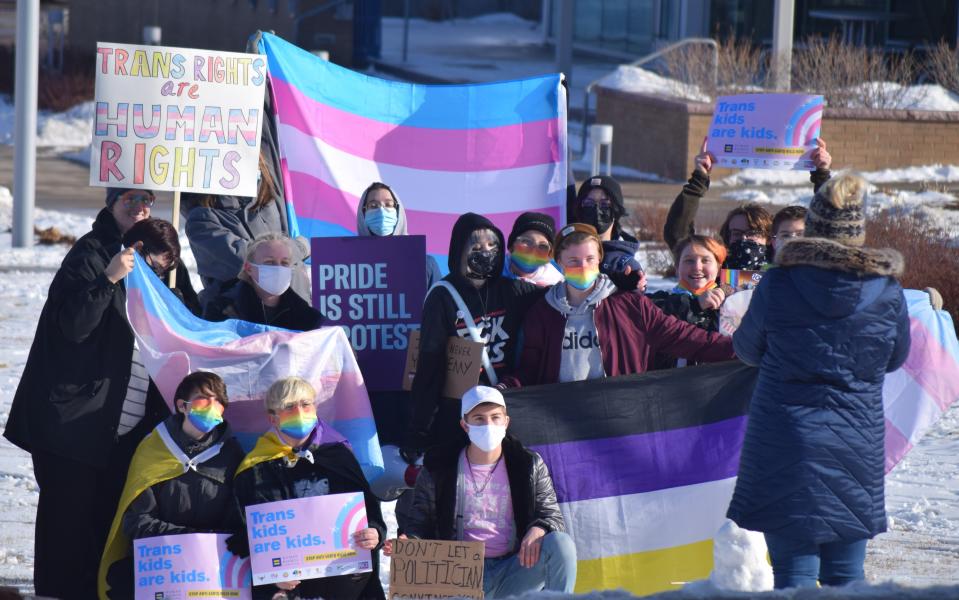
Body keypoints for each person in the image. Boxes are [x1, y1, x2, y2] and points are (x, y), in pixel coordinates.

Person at [3, 189, 197, 600]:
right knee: (66, 534)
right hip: (74, 427)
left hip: (124, 433)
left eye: (147, 198)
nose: (139, 204)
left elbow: (195, 326)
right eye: (129, 197)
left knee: (105, 531)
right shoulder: (91, 254)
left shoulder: (166, 270)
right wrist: (109, 278)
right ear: (110, 202)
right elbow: (71, 327)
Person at [726, 174, 911, 589]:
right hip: (855, 444)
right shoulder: (886, 290)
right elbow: (896, 357)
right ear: (856, 234)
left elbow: (747, 350)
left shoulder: (778, 283)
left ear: (813, 229)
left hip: (784, 442)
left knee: (793, 577)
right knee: (846, 578)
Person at [387, 386, 577, 598]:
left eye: (495, 417)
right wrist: (410, 542)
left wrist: (540, 528)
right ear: (464, 425)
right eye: (479, 418)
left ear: (506, 422)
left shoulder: (528, 464)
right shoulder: (439, 467)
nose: (488, 425)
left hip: (514, 570)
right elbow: (420, 523)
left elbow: (552, 516)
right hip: (459, 575)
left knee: (561, 544)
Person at [500, 224, 735, 387]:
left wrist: (740, 349)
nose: (583, 267)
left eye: (590, 259)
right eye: (573, 261)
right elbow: (529, 370)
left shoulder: (630, 306)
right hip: (565, 422)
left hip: (618, 420)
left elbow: (684, 337)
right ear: (559, 261)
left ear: (599, 259)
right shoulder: (542, 312)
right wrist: (503, 388)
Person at [231, 377, 386, 600]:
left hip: (345, 586)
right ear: (272, 418)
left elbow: (369, 510)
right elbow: (242, 535)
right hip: (290, 590)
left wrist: (375, 533)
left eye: (306, 404)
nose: (300, 411)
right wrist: (268, 575)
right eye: (289, 406)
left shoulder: (338, 455)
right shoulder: (254, 469)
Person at [404, 213, 545, 455]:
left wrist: (621, 283)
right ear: (460, 249)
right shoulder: (442, 296)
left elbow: (560, 297)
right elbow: (430, 363)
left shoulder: (512, 290)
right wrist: (420, 427)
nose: (486, 252)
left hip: (502, 409)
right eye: (477, 247)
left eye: (493, 246)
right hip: (458, 414)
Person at [99, 372, 244, 600]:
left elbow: (235, 519)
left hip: (210, 567)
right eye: (204, 398)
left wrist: (207, 542)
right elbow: (137, 522)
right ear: (182, 406)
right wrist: (188, 538)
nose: (212, 407)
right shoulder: (152, 450)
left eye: (219, 401)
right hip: (160, 562)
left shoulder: (231, 455)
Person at [663, 138, 834, 266]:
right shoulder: (714, 266)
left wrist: (822, 174)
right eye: (737, 234)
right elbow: (678, 235)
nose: (745, 239)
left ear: (769, 238)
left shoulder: (785, 268)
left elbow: (829, 231)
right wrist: (699, 179)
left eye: (754, 232)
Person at [185, 151, 311, 309]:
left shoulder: (270, 202)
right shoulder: (201, 218)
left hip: (295, 308)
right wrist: (299, 247)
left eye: (250, 160)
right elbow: (245, 257)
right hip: (242, 317)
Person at [204, 232, 324, 331]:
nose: (278, 268)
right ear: (249, 268)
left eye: (284, 263)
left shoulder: (309, 319)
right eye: (269, 262)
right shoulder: (222, 311)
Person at [647, 234, 731, 369]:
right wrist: (696, 305)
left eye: (705, 260)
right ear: (677, 267)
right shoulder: (658, 302)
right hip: (668, 385)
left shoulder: (731, 305)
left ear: (718, 268)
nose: (697, 267)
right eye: (689, 260)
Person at [356, 181, 442, 289]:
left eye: (388, 204)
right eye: (373, 205)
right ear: (363, 213)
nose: (382, 211)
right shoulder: (346, 267)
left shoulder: (425, 265)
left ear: (398, 212)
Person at [572, 175, 647, 291]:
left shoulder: (624, 264)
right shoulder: (567, 252)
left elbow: (635, 304)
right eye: (588, 203)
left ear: (616, 210)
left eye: (605, 204)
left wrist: (632, 289)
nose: (596, 210)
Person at [503, 211, 564, 287]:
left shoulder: (556, 283)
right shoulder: (493, 273)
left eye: (542, 246)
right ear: (512, 245)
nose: (533, 251)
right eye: (526, 242)